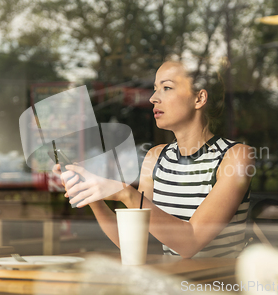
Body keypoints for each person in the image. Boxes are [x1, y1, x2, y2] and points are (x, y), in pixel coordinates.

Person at [53, 60, 254, 258]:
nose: (153, 98)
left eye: (167, 88)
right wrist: (90, 193)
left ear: (199, 98)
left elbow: (191, 242)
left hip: (215, 287)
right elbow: (135, 243)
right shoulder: (156, 157)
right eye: (155, 88)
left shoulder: (235, 156)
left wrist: (125, 193)